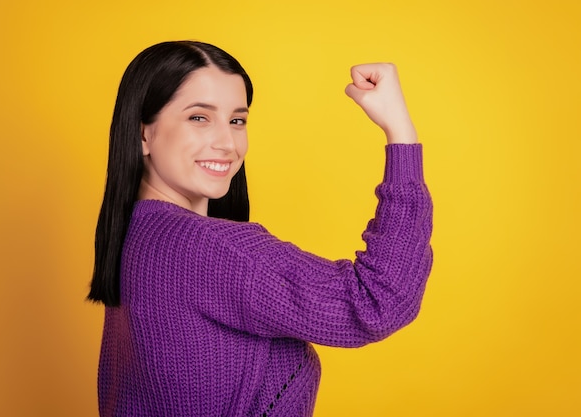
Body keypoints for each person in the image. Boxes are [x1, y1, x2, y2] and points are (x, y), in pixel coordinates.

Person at [88, 40, 433, 417]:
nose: (227, 143)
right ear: (143, 134)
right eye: (199, 117)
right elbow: (377, 301)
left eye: (237, 120)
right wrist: (401, 133)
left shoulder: (138, 237)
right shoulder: (207, 249)